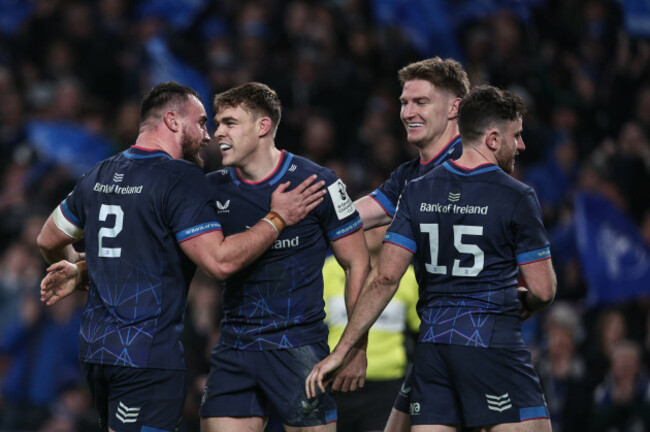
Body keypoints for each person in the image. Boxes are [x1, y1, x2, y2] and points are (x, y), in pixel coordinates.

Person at [36, 81, 326, 432]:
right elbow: (220, 262)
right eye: (202, 122)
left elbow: (48, 239)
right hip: (146, 355)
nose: (207, 135)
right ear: (173, 121)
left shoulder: (100, 173)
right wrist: (277, 217)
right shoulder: (180, 177)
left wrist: (82, 268)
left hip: (96, 354)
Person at [307, 85, 557, 432]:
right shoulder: (517, 196)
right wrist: (528, 300)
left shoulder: (417, 189)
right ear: (494, 138)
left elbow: (384, 278)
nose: (522, 145)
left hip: (433, 352)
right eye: (517, 136)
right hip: (491, 345)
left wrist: (342, 349)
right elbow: (543, 290)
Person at [198, 82, 370, 432]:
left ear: (262, 127)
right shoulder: (210, 190)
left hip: (299, 350)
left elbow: (357, 263)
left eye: (230, 122)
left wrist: (355, 347)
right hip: (235, 349)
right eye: (217, 123)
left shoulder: (318, 182)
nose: (218, 133)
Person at [353, 56, 470, 432]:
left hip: (474, 341)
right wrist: (292, 212)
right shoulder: (409, 177)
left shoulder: (475, 168)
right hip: (435, 339)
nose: (407, 112)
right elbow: (353, 216)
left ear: (455, 108)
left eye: (421, 102)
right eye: (404, 102)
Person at [322, 225, 419, 432]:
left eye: (377, 225)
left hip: (386, 386)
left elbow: (421, 331)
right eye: (364, 225)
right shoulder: (327, 271)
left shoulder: (408, 277)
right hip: (334, 383)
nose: (369, 230)